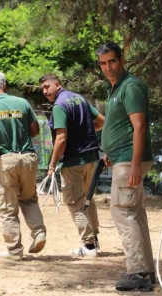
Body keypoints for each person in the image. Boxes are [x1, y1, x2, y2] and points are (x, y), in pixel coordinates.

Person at [96, 42, 156, 291]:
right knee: (135, 213)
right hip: (122, 158)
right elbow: (122, 127)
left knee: (122, 212)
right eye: (103, 63)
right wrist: (111, 152)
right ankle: (146, 270)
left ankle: (138, 272)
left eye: (112, 61)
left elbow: (139, 126)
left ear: (122, 59)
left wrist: (133, 164)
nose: (108, 67)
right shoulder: (116, 88)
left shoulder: (130, 86)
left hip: (129, 160)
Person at [0, 71, 46, 261]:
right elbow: (35, 130)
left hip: (6, 160)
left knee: (7, 207)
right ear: (4, 85)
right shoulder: (22, 103)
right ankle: (39, 232)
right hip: (28, 158)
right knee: (29, 199)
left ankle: (14, 251)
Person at [39, 74, 105, 257]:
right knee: (87, 199)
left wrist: (52, 164)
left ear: (57, 85)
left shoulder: (59, 105)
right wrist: (85, 131)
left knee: (75, 203)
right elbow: (101, 122)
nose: (45, 91)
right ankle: (95, 240)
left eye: (47, 87)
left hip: (73, 161)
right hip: (91, 158)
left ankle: (89, 246)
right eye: (43, 89)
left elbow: (61, 138)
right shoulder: (80, 98)